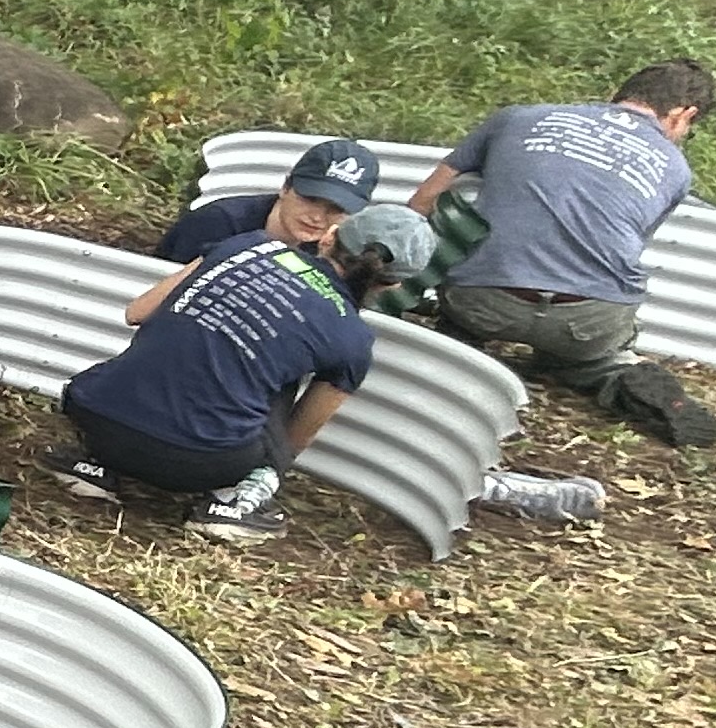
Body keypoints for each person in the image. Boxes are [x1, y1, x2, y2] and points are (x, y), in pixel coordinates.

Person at [48, 204, 439, 542]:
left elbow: (137, 312)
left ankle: (93, 467)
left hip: (96, 417)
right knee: (276, 374)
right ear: (394, 284)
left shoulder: (247, 245)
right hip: (196, 466)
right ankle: (230, 507)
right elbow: (295, 437)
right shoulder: (352, 339)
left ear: (329, 237)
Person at [414, 61, 716, 449]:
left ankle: (460, 343)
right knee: (590, 353)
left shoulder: (518, 118)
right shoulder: (675, 167)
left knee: (467, 310)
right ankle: (612, 371)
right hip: (587, 317)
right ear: (683, 114)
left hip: (485, 299)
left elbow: (423, 201)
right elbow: (623, 250)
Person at [156, 136, 384, 266]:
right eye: (311, 199)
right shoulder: (220, 223)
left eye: (336, 209)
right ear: (285, 187)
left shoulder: (335, 248)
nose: (317, 217)